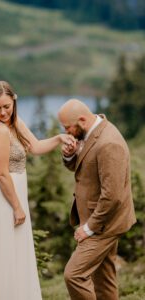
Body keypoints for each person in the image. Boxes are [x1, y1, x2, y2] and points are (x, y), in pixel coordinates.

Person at [0, 81, 75, 300]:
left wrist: (59, 138)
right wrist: (18, 207)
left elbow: (36, 146)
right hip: (3, 196)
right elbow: (1, 173)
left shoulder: (14, 122)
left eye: (6, 107)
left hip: (12, 193)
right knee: (3, 251)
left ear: (14, 101)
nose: (2, 112)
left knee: (13, 251)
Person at [58, 99, 136, 300]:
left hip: (105, 223)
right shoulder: (91, 132)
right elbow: (84, 168)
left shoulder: (109, 143)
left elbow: (113, 196)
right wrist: (70, 156)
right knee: (104, 279)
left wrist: (89, 227)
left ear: (82, 120)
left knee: (73, 275)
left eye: (68, 127)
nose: (66, 133)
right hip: (98, 218)